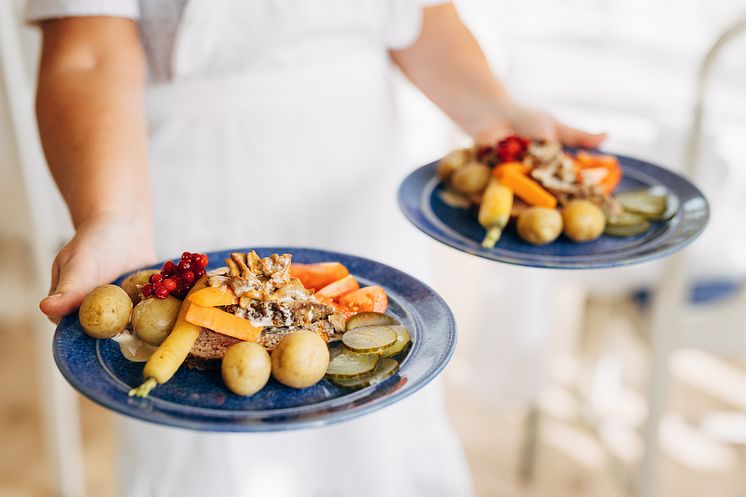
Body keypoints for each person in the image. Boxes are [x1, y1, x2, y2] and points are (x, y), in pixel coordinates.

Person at [28, 1, 606, 496]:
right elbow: (86, 51)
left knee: (379, 442)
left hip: (356, 184)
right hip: (178, 189)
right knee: (207, 459)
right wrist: (113, 218)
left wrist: (492, 112)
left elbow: (419, 15)